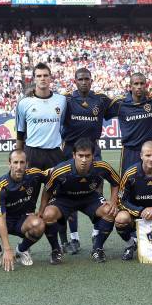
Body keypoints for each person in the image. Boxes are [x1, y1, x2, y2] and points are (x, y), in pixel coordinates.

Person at [15, 62, 68, 259]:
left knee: (56, 201)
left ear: (50, 78)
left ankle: (57, 247)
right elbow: (20, 133)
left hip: (54, 155)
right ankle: (26, 245)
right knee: (29, 201)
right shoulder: (24, 103)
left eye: (46, 75)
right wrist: (19, 157)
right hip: (32, 154)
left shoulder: (61, 101)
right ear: (34, 79)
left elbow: (64, 127)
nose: (43, 79)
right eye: (39, 75)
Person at [39, 138, 120, 263]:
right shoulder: (61, 170)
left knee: (110, 211)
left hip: (90, 197)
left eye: (87, 156)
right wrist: (41, 210)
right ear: (74, 155)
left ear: (93, 156)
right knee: (48, 214)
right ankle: (56, 250)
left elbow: (116, 183)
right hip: (64, 199)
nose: (84, 160)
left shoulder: (102, 166)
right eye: (80, 156)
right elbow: (47, 190)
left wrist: (113, 201)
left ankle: (97, 248)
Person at [59, 67, 111, 254]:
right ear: (75, 81)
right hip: (70, 151)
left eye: (87, 79)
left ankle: (97, 233)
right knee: (68, 193)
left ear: (91, 80)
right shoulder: (66, 101)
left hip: (93, 150)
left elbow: (122, 108)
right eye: (80, 79)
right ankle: (72, 238)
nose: (84, 82)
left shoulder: (101, 100)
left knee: (98, 190)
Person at [0, 149, 47, 271]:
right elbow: (1, 218)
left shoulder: (34, 174)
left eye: (22, 162)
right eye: (15, 162)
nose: (19, 167)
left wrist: (42, 208)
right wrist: (7, 249)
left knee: (39, 225)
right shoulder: (1, 186)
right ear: (9, 164)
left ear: (27, 163)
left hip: (23, 219)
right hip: (3, 220)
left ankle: (22, 250)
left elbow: (51, 179)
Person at [107, 72, 152, 174]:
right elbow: (104, 113)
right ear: (130, 86)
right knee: (126, 184)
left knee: (151, 183)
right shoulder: (120, 103)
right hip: (129, 151)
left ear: (146, 85)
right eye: (136, 84)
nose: (139, 87)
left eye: (142, 84)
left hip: (148, 152)